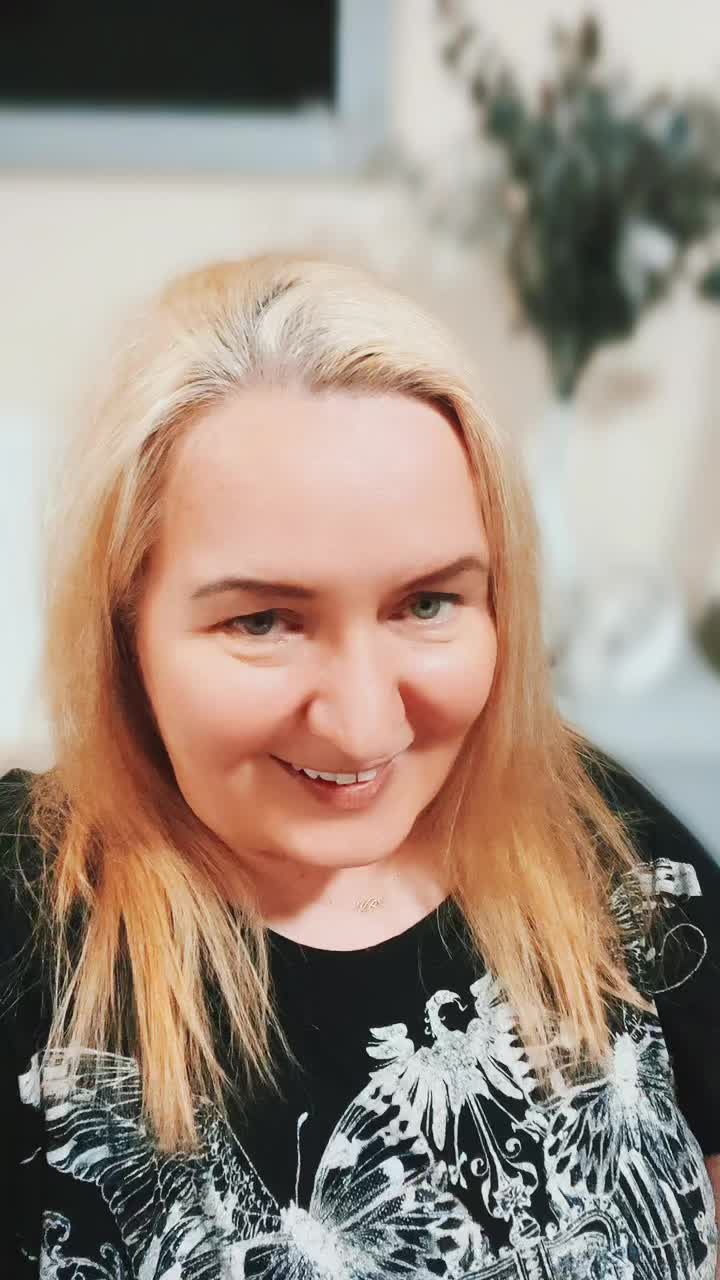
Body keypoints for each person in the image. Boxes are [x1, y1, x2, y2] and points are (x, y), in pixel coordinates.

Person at [0, 254, 718, 1280]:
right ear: (127, 627)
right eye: (263, 620)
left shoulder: (597, 833)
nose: (365, 723)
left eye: (427, 603)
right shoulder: (28, 918)